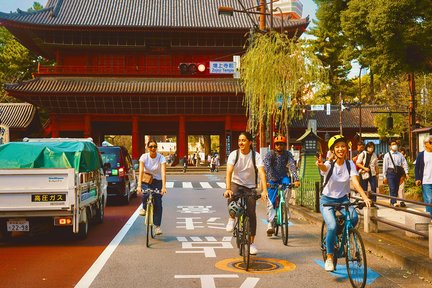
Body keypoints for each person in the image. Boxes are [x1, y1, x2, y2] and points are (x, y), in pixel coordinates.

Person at [316, 135, 371, 272]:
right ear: (333, 150)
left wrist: (364, 197)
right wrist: (320, 164)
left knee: (353, 217)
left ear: (346, 148)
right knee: (332, 226)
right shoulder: (329, 165)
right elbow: (323, 168)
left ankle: (339, 233)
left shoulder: (350, 164)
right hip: (327, 200)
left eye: (343, 146)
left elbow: (355, 182)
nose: (341, 149)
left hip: (343, 200)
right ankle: (329, 257)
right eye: (337, 147)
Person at [223, 131, 269, 255]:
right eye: (239, 140)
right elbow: (229, 172)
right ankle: (231, 219)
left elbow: (262, 173)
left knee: (251, 213)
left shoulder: (256, 156)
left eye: (243, 140)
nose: (241, 143)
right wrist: (228, 188)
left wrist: (264, 190)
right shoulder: (234, 154)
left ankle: (251, 243)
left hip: (250, 186)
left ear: (250, 142)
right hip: (236, 183)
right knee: (231, 197)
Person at [263, 135, 300, 237]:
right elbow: (266, 167)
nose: (279, 146)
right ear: (275, 145)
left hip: (283, 177)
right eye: (278, 144)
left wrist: (296, 179)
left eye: (282, 144)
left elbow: (292, 165)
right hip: (272, 178)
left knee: (288, 187)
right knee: (271, 203)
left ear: (285, 145)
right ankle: (270, 223)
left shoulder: (287, 154)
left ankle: (285, 206)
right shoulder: (270, 154)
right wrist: (266, 181)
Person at [137, 139, 167, 235]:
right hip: (146, 180)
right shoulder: (144, 157)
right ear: (147, 148)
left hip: (158, 181)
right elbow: (141, 171)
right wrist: (139, 185)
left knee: (158, 202)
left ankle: (157, 226)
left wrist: (164, 186)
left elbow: (163, 172)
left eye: (155, 146)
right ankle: (144, 208)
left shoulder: (161, 158)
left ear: (157, 148)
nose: (153, 148)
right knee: (146, 194)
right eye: (151, 147)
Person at [383, 140, 409, 206]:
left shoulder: (400, 155)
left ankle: (393, 200)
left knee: (396, 187)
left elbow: (404, 163)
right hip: (390, 172)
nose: (394, 145)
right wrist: (384, 176)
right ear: (390, 146)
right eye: (393, 144)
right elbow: (385, 166)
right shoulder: (387, 155)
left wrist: (406, 172)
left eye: (395, 144)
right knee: (392, 187)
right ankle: (393, 202)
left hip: (398, 173)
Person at [415, 135, 432, 216]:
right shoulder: (421, 155)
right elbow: (417, 168)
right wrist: (417, 178)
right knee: (429, 200)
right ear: (425, 144)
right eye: (431, 142)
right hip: (426, 181)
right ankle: (431, 217)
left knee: (428, 200)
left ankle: (429, 215)